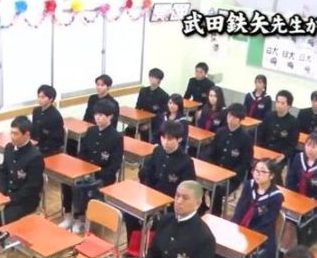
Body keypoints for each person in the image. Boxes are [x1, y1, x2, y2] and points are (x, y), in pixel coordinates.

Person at [206, 159, 283, 258]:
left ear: (271, 175)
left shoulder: (276, 197)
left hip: (260, 237)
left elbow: (266, 222)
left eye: (262, 172)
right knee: (219, 246)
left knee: (239, 257)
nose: (257, 174)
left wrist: (246, 237)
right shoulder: (249, 185)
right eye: (256, 170)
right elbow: (239, 209)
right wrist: (234, 230)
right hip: (240, 228)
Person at [125, 120, 196, 247]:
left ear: (179, 139)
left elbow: (187, 191)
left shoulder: (186, 162)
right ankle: (134, 246)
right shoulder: (157, 151)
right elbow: (146, 172)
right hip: (150, 197)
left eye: (170, 139)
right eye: (163, 138)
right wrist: (147, 189)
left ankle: (152, 248)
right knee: (130, 213)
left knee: (161, 223)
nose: (165, 142)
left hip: (169, 205)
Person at [59, 100, 123, 233]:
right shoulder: (91, 130)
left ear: (110, 116)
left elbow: (114, 165)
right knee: (67, 182)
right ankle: (68, 215)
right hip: (85, 171)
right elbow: (82, 153)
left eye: (101, 115)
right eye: (96, 114)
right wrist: (84, 170)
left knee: (82, 187)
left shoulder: (116, 137)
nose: (97, 118)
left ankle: (80, 218)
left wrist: (95, 174)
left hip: (102, 175)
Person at [0, 116, 44, 232]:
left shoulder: (35, 157)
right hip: (6, 195)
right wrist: (0, 192)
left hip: (24, 200)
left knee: (4, 219)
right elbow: (3, 172)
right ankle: (4, 236)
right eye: (11, 133)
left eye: (16, 134)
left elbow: (32, 187)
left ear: (27, 134)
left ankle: (10, 236)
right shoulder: (9, 148)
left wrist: (11, 199)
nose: (12, 137)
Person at [285, 132, 317, 246]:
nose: (310, 149)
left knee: (304, 229)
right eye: (308, 145)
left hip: (313, 206)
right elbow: (290, 179)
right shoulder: (298, 158)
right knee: (287, 222)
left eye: (314, 146)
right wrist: (292, 197)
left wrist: (311, 203)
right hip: (296, 200)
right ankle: (283, 250)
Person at [207, 103, 253, 217]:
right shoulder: (220, 132)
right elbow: (211, 152)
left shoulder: (245, 138)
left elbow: (245, 162)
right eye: (229, 115)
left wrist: (231, 175)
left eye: (234, 117)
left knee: (218, 190)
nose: (230, 118)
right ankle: (202, 207)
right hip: (215, 172)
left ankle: (215, 215)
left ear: (240, 119)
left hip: (232, 177)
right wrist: (210, 167)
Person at [256, 89, 299, 184]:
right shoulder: (269, 116)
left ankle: (277, 187)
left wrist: (283, 155)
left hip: (279, 155)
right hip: (264, 151)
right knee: (255, 167)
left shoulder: (293, 122)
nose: (279, 105)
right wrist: (259, 149)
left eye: (282, 103)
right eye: (277, 102)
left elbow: (292, 145)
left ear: (289, 106)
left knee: (274, 170)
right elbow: (260, 134)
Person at [132, 67, 169, 139]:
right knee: (129, 129)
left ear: (159, 80)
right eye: (151, 76)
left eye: (155, 77)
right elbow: (138, 107)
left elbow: (161, 114)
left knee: (146, 132)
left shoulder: (164, 95)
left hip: (154, 122)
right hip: (142, 119)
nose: (152, 79)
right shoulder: (143, 90)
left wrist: (149, 125)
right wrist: (135, 120)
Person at [31, 84, 64, 157]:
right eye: (38, 96)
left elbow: (56, 141)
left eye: (43, 97)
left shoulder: (55, 116)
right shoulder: (36, 110)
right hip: (36, 144)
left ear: (51, 99)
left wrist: (38, 148)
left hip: (48, 149)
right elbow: (33, 130)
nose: (39, 99)